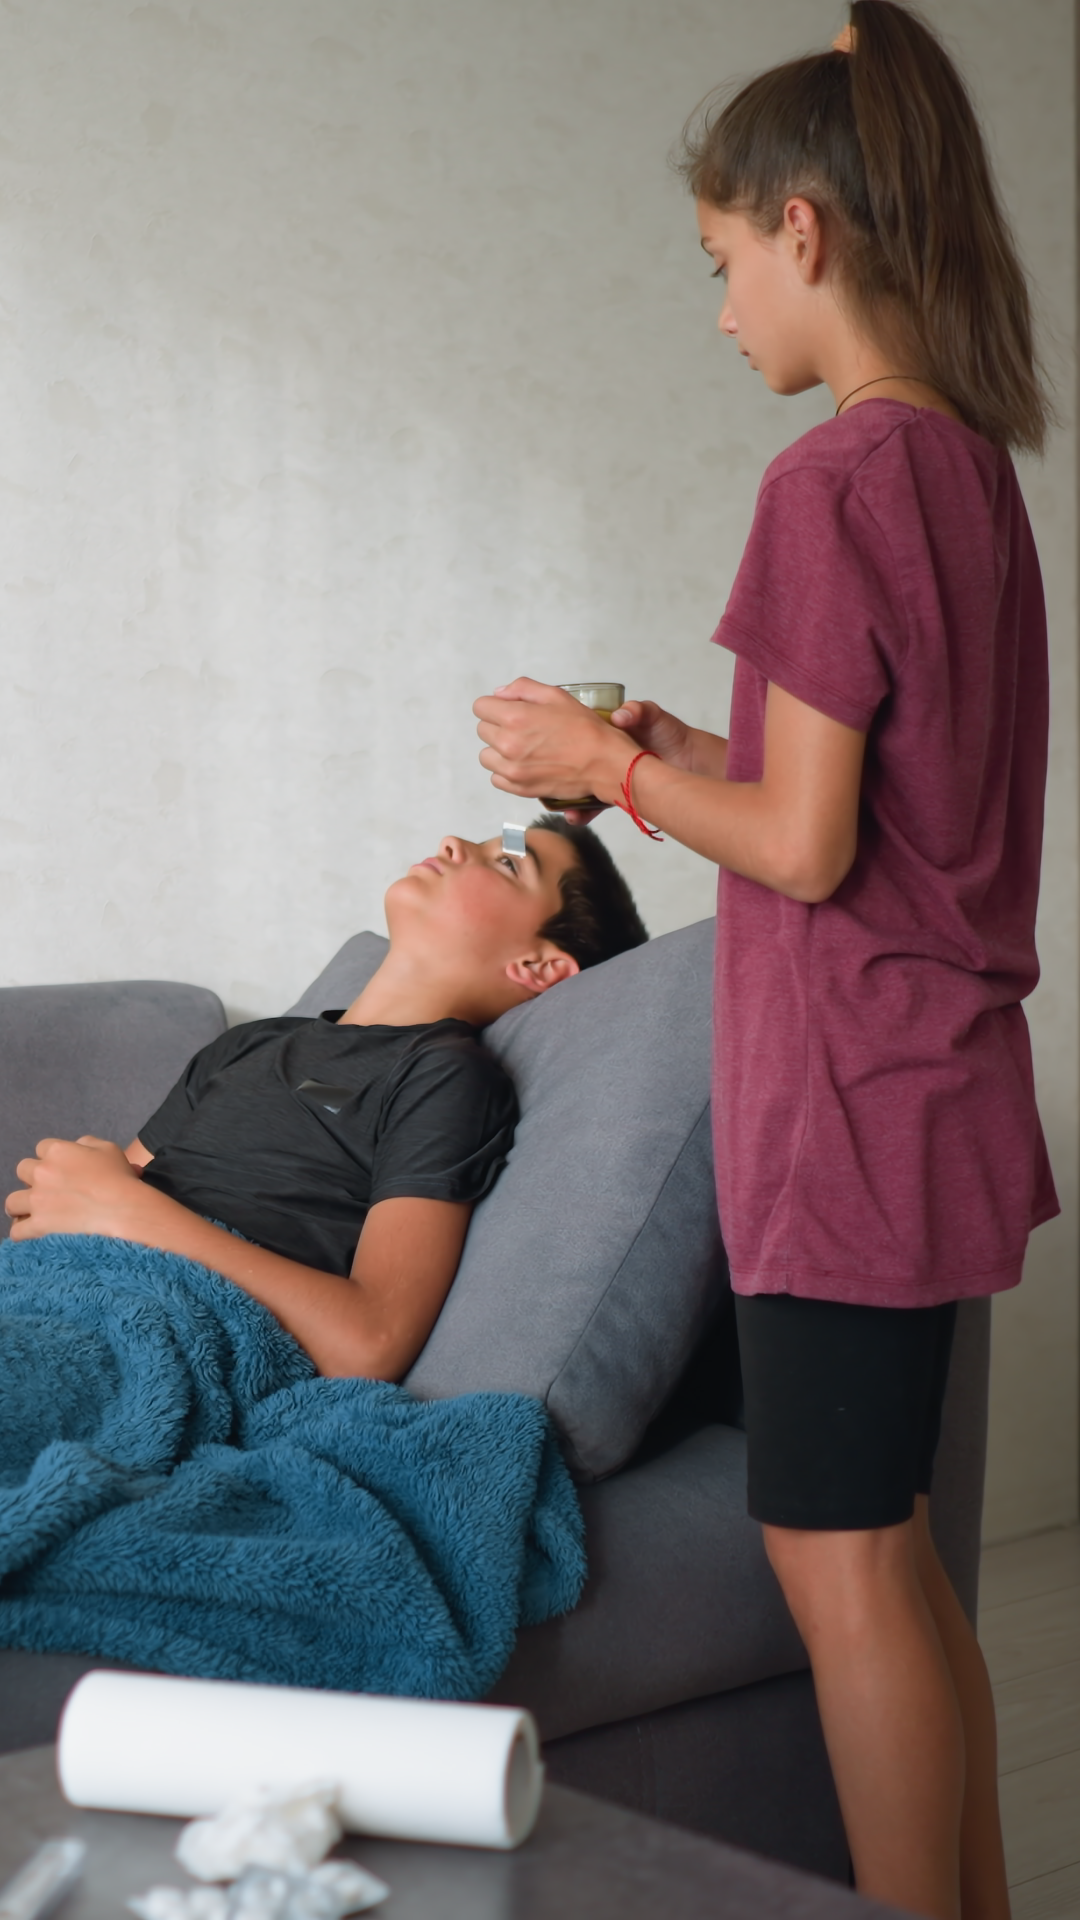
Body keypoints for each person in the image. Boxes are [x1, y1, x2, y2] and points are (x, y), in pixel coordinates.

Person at [472, 7, 1056, 1916]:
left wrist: (606, 765)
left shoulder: (829, 483)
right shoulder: (966, 469)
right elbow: (873, 806)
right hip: (939, 1088)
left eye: (723, 261)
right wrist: (671, 758)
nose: (723, 309)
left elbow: (804, 850)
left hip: (849, 1107)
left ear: (804, 231)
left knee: (833, 1554)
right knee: (898, 1552)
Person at [5, 817, 647, 1382]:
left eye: (506, 863)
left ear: (538, 966)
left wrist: (127, 1212)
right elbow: (86, 1205)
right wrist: (65, 1199)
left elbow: (369, 1343)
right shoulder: (251, 1045)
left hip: (161, 1335)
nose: (454, 843)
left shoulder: (443, 1076)